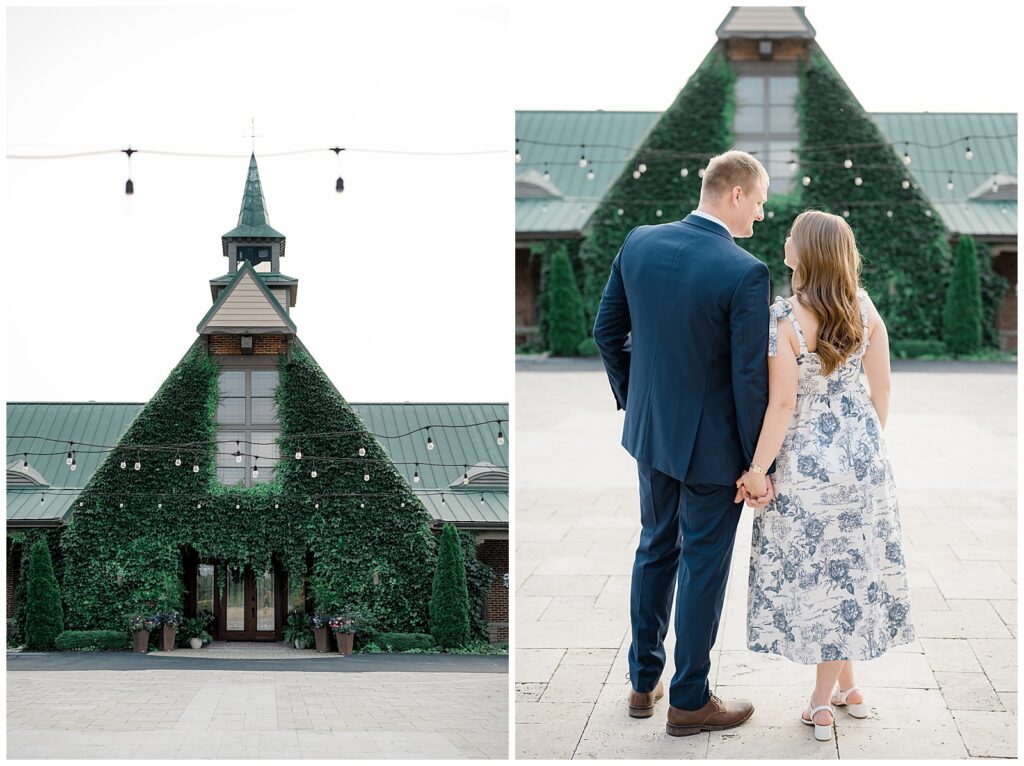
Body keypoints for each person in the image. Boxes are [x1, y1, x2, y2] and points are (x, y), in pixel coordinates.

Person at [593, 150, 775, 737]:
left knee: (654, 547)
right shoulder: (744, 270)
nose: (763, 216)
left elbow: (606, 330)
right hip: (714, 451)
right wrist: (756, 463)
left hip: (651, 436)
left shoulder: (639, 241)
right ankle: (690, 699)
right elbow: (749, 379)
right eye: (761, 203)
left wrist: (635, 398)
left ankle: (644, 681)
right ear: (737, 195)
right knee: (702, 565)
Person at [737, 210, 916, 743]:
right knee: (853, 568)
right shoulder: (864, 307)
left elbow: (783, 403)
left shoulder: (785, 319)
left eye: (792, 236)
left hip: (806, 463)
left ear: (806, 253)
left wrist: (756, 471)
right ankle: (849, 687)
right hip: (864, 456)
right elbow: (881, 390)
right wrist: (861, 445)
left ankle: (819, 703)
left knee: (823, 579)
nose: (785, 241)